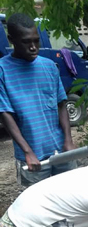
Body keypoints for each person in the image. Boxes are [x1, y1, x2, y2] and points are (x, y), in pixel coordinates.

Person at [0, 13, 76, 187]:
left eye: (36, 40)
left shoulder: (49, 66)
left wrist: (68, 140)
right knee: (38, 208)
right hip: (32, 157)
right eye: (26, 42)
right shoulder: (2, 70)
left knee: (70, 199)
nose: (33, 47)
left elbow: (61, 104)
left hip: (61, 151)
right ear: (12, 40)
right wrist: (27, 151)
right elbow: (4, 114)